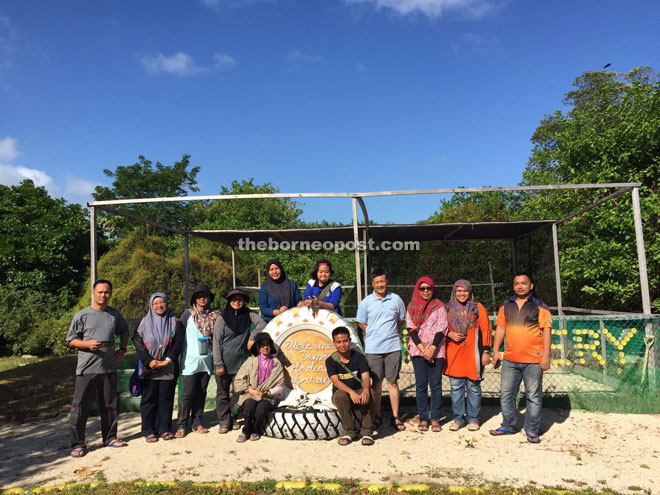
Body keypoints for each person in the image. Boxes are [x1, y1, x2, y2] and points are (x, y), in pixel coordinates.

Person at [66, 279, 129, 458]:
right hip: (86, 369)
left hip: (108, 368)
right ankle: (78, 443)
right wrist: (87, 345)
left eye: (107, 292)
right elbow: (71, 340)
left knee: (110, 405)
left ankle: (110, 438)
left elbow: (124, 331)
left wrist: (122, 350)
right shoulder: (82, 315)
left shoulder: (114, 314)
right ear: (93, 293)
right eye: (100, 292)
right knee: (80, 407)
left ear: (110, 294)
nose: (103, 295)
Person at [490, 273, 552, 444]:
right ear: (513, 286)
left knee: (533, 396)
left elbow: (546, 331)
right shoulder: (505, 307)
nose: (520, 286)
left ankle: (532, 431)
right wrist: (496, 351)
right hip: (510, 360)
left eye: (524, 283)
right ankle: (508, 426)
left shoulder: (540, 307)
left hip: (534, 360)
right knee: (506, 394)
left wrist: (546, 355)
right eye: (516, 283)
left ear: (531, 286)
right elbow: (501, 329)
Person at [356, 268, 407, 431]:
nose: (380, 285)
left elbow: (400, 321)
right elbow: (361, 323)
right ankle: (376, 415)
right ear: (372, 284)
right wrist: (374, 333)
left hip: (393, 347)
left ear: (387, 282)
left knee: (392, 382)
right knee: (376, 384)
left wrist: (390, 334)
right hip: (373, 349)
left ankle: (396, 416)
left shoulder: (396, 299)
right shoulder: (366, 302)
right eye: (377, 282)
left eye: (382, 281)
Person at [213, 288, 266, 433]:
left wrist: (252, 337)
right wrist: (218, 364)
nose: (237, 301)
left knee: (239, 393)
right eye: (234, 299)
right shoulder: (222, 318)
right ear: (229, 301)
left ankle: (234, 418)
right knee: (223, 393)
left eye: (240, 299)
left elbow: (262, 323)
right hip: (224, 362)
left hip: (242, 364)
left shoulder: (248, 314)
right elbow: (216, 342)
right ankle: (224, 421)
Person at [133, 292, 184, 442]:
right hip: (149, 368)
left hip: (168, 366)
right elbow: (137, 343)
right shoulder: (143, 323)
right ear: (151, 305)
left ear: (167, 303)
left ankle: (165, 429)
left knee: (166, 399)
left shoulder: (176, 322)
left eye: (162, 302)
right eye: (155, 303)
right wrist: (149, 360)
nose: (159, 305)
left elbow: (178, 343)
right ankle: (149, 430)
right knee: (149, 399)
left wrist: (168, 359)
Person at [444, 280, 492, 432]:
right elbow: (439, 327)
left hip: (474, 355)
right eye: (459, 291)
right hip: (454, 354)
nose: (462, 294)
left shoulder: (477, 308)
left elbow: (486, 329)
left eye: (465, 291)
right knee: (456, 388)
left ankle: (473, 419)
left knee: (474, 388)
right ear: (454, 292)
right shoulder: (447, 308)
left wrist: (486, 351)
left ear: (470, 292)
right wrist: (449, 334)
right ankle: (458, 419)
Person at [175, 284, 219, 437]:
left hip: (206, 361)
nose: (202, 298)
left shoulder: (215, 315)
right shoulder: (187, 315)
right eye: (199, 295)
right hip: (189, 361)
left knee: (201, 393)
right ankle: (181, 424)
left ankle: (197, 422)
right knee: (187, 394)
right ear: (194, 298)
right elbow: (178, 337)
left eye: (205, 295)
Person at [406, 277, 448, 433]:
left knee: (436, 385)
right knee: (421, 385)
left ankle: (435, 417)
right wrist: (423, 350)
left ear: (432, 289)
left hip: (436, 351)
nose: (425, 291)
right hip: (418, 351)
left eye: (428, 288)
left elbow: (442, 328)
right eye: (422, 288)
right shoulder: (412, 306)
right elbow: (411, 329)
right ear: (418, 289)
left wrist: (432, 349)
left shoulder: (439, 306)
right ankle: (423, 417)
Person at [325, 326, 375, 446]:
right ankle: (349, 432)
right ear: (334, 343)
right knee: (339, 397)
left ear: (350, 340)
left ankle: (367, 431)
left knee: (372, 393)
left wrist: (366, 390)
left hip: (359, 389)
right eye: (339, 342)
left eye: (345, 341)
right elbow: (336, 381)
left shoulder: (359, 357)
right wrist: (351, 392)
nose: (342, 345)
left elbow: (366, 377)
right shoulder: (331, 361)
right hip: (343, 392)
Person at [233, 332, 285, 442]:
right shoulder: (251, 361)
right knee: (249, 407)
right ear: (258, 347)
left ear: (270, 347)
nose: (265, 347)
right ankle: (246, 431)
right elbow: (239, 379)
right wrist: (250, 390)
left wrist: (267, 393)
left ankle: (255, 430)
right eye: (262, 345)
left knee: (261, 410)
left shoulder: (276, 363)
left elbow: (280, 385)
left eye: (267, 345)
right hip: (250, 394)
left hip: (267, 396)